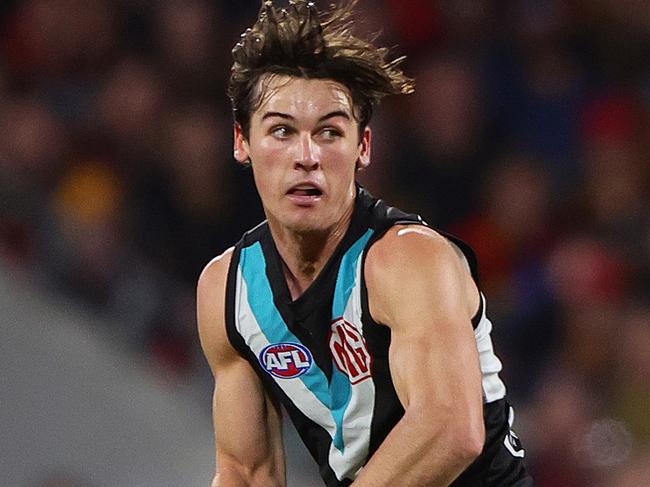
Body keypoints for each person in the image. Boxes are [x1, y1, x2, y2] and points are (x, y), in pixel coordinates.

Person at [197, 1, 532, 485]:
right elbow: (246, 472)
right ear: (241, 142)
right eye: (281, 131)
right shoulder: (226, 291)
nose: (306, 156)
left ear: (364, 147)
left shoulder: (410, 259)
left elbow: (451, 430)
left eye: (330, 132)